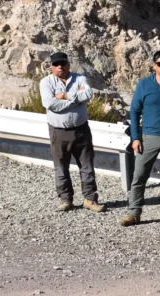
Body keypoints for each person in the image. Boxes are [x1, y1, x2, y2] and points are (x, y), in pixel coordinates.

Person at [120, 50, 160, 227]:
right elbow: (134, 111)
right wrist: (135, 137)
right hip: (148, 137)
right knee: (139, 176)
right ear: (154, 65)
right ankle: (133, 213)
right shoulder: (144, 84)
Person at [39, 51, 104, 213]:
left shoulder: (80, 78)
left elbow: (88, 94)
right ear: (51, 67)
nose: (60, 67)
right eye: (56, 64)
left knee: (87, 165)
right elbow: (51, 104)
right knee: (61, 167)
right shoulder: (46, 82)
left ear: (68, 65)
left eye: (63, 63)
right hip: (59, 131)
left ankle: (90, 198)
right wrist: (76, 100)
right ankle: (65, 199)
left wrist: (65, 96)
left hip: (81, 130)